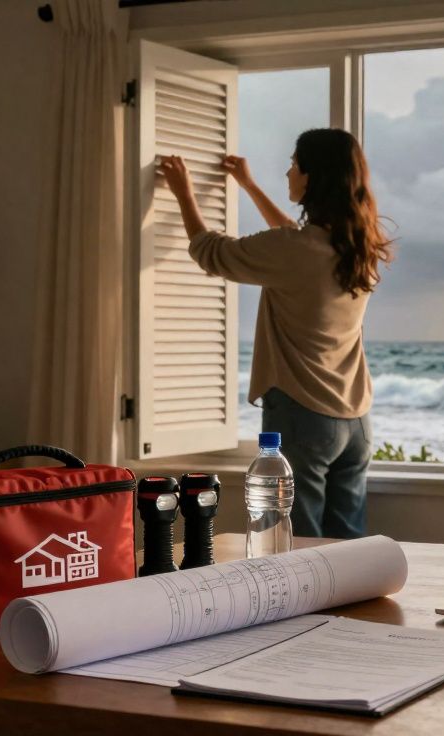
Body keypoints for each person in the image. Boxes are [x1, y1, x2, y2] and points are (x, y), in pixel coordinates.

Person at [157, 128, 392, 539]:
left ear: (312, 176)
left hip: (304, 415)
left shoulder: (295, 250)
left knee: (296, 546)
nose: (288, 172)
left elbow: (212, 252)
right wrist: (248, 186)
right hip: (356, 419)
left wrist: (183, 193)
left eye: (294, 164)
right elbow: (295, 242)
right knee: (348, 548)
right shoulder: (358, 246)